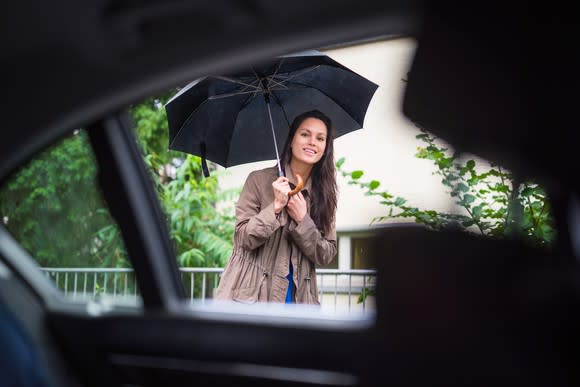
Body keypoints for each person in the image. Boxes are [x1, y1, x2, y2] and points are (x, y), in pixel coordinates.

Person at [215, 110, 337, 304]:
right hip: (253, 295)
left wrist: (302, 220)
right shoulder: (258, 180)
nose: (312, 142)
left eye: (320, 138)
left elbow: (326, 254)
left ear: (325, 148)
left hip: (299, 298)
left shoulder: (324, 195)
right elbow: (243, 238)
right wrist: (275, 207)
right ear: (291, 140)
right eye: (305, 134)